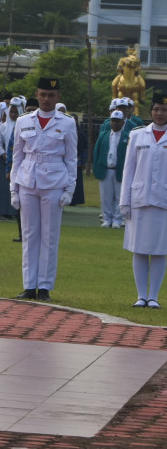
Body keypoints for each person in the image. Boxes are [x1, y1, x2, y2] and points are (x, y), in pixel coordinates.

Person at [10, 77, 77, 302]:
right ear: (37, 95)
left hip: (54, 182)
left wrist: (70, 188)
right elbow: (17, 156)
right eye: (43, 94)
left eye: (51, 95)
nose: (46, 99)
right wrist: (14, 188)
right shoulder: (24, 121)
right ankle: (29, 285)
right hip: (28, 181)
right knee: (29, 235)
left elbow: (71, 158)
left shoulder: (67, 123)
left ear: (58, 97)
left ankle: (45, 287)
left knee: (49, 236)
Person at [119, 91, 167, 309]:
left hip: (163, 200)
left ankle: (154, 296)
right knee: (139, 248)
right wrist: (124, 201)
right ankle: (141, 295)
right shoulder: (138, 135)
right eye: (156, 109)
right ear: (151, 111)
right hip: (139, 198)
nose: (159, 113)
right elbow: (128, 169)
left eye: (164, 110)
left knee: (160, 249)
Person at [94, 109, 130, 228]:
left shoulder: (127, 137)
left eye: (117, 121)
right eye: (113, 121)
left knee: (119, 196)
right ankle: (107, 219)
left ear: (122, 122)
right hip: (106, 170)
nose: (115, 123)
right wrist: (96, 167)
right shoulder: (103, 135)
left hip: (120, 171)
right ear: (110, 122)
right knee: (106, 196)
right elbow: (97, 152)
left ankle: (117, 220)